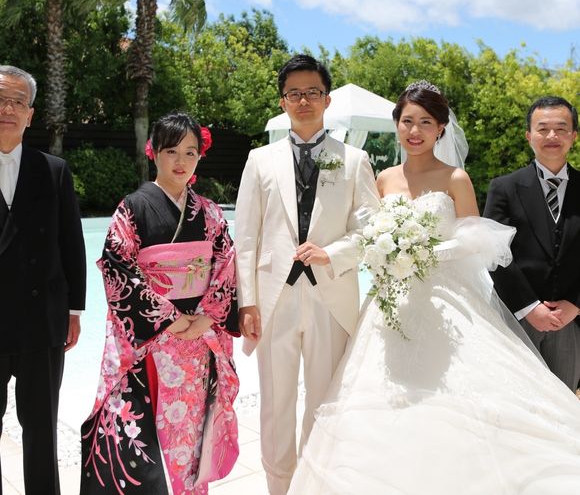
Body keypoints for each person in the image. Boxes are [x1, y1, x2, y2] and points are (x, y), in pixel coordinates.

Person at [289, 81, 580, 495]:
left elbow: (478, 244)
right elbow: (366, 234)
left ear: (441, 128)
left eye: (426, 122)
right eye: (408, 121)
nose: (415, 130)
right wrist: (344, 253)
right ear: (396, 124)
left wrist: (421, 250)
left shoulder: (456, 178)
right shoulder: (382, 178)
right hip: (389, 305)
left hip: (446, 301)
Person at [235, 54, 380, 494]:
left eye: (312, 92)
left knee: (325, 403)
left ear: (327, 99)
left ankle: (316, 485)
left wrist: (331, 253)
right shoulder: (259, 159)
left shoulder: (354, 160)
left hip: (331, 298)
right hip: (273, 298)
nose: (303, 101)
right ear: (283, 101)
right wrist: (247, 302)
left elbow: (371, 230)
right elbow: (246, 237)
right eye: (294, 93)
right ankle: (278, 487)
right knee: (275, 404)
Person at [80, 113, 240, 494]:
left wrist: (206, 318)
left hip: (197, 343)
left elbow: (226, 264)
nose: (181, 161)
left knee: (191, 436)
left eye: (190, 152)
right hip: (152, 342)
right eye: (172, 151)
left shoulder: (210, 212)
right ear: (154, 152)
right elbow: (117, 266)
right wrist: (167, 318)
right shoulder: (132, 208)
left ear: (200, 156)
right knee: (145, 434)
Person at [0, 65, 86, 494]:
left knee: (41, 429)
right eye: (1, 100)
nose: (7, 109)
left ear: (30, 114)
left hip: (42, 321)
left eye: (17, 102)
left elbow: (71, 243)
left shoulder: (54, 170)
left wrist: (75, 310)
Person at [484, 96, 580, 391]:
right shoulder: (504, 187)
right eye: (543, 129)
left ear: (574, 136)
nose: (552, 136)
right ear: (528, 135)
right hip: (517, 316)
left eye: (561, 129)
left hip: (571, 320)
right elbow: (493, 252)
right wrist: (529, 308)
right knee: (517, 400)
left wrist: (576, 304)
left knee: (565, 402)